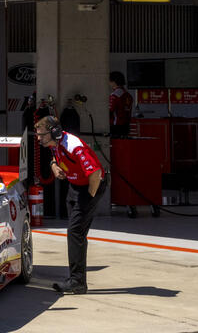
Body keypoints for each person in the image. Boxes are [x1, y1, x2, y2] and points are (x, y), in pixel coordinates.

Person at [36, 116, 107, 294]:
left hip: (89, 187)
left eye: (41, 135)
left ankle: (77, 282)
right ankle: (77, 280)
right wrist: (53, 166)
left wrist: (89, 199)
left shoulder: (74, 146)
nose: (38, 139)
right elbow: (54, 155)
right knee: (77, 234)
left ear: (54, 132)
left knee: (75, 232)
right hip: (75, 187)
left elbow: (96, 173)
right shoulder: (57, 144)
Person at [109, 72, 134, 139]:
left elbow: (109, 112)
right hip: (126, 126)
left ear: (114, 82)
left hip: (116, 127)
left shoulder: (114, 95)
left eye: (110, 81)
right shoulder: (128, 95)